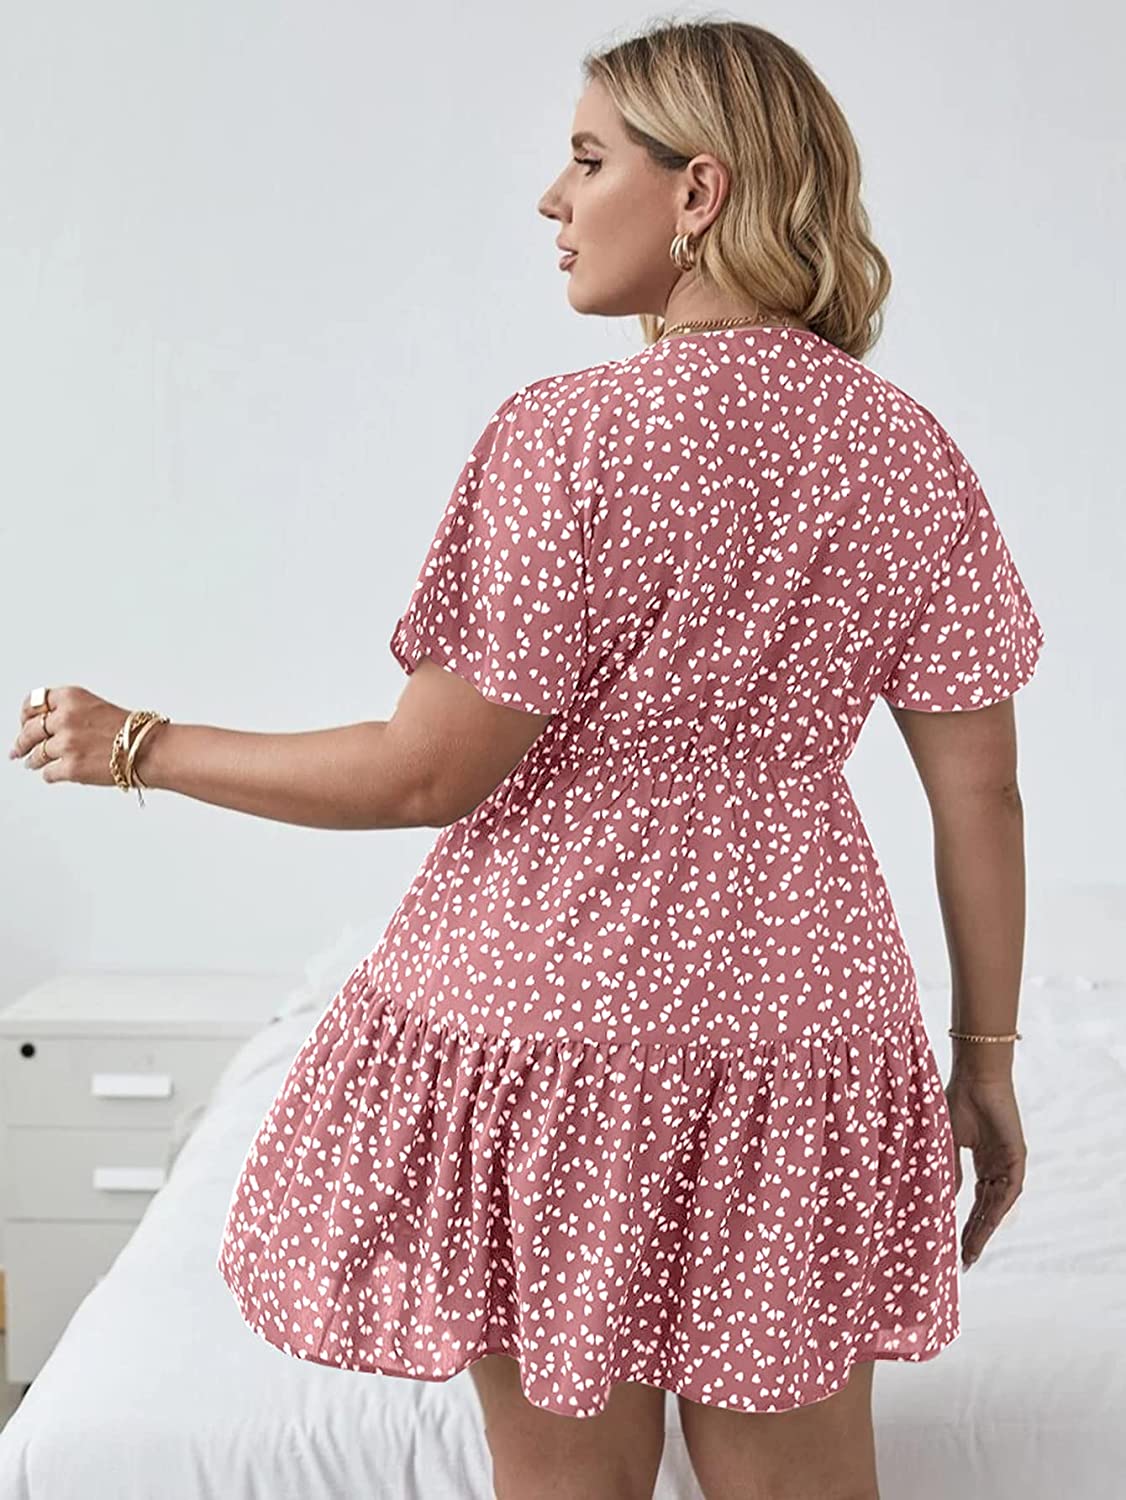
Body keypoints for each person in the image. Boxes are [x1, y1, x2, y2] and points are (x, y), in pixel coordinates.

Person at [9, 18, 1044, 1500]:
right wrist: (984, 1061)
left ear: (698, 191)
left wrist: (142, 746)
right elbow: (980, 794)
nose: (552, 200)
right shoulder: (903, 450)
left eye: (586, 159)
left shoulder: (566, 437)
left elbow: (426, 773)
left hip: (550, 1026)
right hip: (801, 1032)